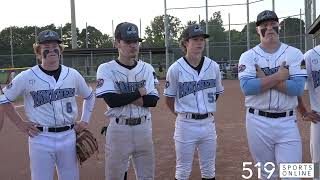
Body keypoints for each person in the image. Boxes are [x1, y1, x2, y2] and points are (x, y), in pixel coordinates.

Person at [0, 30, 95, 180]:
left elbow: (90, 96)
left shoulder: (73, 74)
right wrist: (20, 124)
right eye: (46, 47)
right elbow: (3, 99)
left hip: (69, 136)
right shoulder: (27, 76)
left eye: (55, 46)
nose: (52, 50)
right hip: (41, 138)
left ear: (60, 50)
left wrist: (84, 120)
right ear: (38, 53)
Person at [238, 10, 307, 179]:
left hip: (287, 122)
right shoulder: (248, 56)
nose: (269, 28)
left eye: (273, 24)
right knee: (268, 175)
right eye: (264, 25)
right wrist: (278, 77)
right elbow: (247, 87)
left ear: (279, 26)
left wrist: (264, 79)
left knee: (292, 175)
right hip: (257, 122)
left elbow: (297, 89)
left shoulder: (295, 54)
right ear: (258, 30)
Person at [96, 22, 159, 180]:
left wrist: (125, 96)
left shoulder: (147, 68)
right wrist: (138, 92)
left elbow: (152, 100)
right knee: (115, 176)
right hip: (119, 129)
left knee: (147, 176)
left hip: (144, 128)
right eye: (128, 42)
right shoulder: (106, 68)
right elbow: (112, 100)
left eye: (135, 41)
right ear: (117, 43)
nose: (133, 45)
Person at [164, 24, 224, 180]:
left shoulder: (213, 67)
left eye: (202, 39)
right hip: (186, 124)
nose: (200, 43)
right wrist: (183, 113)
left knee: (209, 170)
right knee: (183, 170)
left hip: (208, 123)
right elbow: (169, 99)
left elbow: (216, 93)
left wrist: (204, 108)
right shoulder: (175, 69)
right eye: (195, 39)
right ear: (185, 43)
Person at [296, 45, 320, 172]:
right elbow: (296, 86)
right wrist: (304, 112)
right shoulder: (310, 56)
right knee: (317, 163)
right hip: (319, 118)